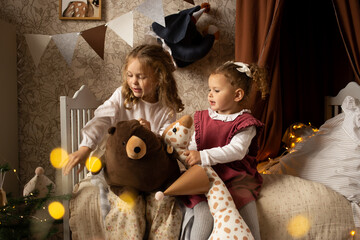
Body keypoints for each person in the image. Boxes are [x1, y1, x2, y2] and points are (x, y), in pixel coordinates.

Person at [63, 44, 184, 176]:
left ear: (159, 78)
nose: (134, 82)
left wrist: (151, 135)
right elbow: (101, 120)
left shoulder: (167, 109)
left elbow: (166, 145)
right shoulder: (122, 95)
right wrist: (85, 148)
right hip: (117, 163)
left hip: (145, 167)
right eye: (130, 75)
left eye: (141, 77)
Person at [183, 61, 269, 240]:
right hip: (207, 177)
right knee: (203, 214)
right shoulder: (204, 117)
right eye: (209, 90)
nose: (210, 95)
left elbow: (236, 150)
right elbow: (195, 143)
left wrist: (203, 155)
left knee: (248, 215)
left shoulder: (245, 123)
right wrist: (189, 155)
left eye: (216, 90)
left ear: (237, 95)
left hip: (235, 177)